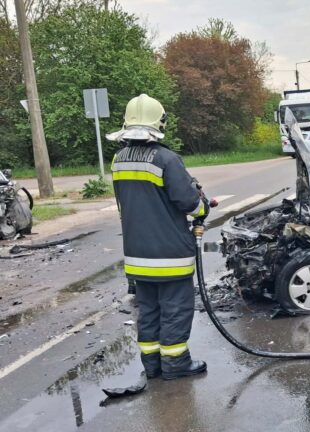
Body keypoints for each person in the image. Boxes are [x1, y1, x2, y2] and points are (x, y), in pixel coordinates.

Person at [107, 94, 210, 381]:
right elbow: (190, 204)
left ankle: (152, 365)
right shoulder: (166, 159)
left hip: (137, 255)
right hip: (170, 255)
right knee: (176, 310)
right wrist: (203, 205)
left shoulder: (118, 160)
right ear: (159, 123)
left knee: (149, 311)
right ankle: (176, 364)